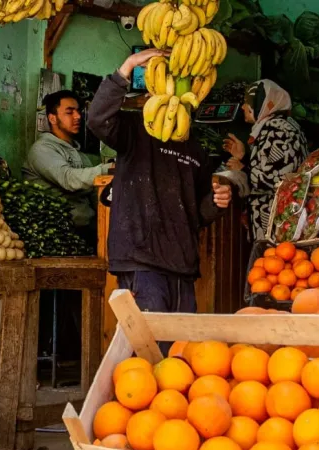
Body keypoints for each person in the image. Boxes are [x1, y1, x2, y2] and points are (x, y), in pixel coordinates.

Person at [87, 48, 240, 315]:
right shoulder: (135, 130)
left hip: (181, 264)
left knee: (180, 350)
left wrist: (217, 202)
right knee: (150, 350)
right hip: (141, 260)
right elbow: (98, 119)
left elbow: (197, 213)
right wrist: (127, 68)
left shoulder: (196, 149)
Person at [224, 79, 308, 239]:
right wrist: (244, 157)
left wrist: (242, 169)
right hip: (277, 217)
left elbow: (273, 179)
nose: (243, 107)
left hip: (276, 220)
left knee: (272, 261)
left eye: (247, 103)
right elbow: (273, 165)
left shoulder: (277, 130)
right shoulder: (282, 125)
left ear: (262, 103)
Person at [23, 89, 110, 231]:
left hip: (87, 229)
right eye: (69, 112)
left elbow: (95, 195)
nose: (77, 117)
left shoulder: (80, 156)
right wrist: (109, 168)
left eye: (78, 111)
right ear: (52, 118)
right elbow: (68, 179)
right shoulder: (42, 150)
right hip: (56, 233)